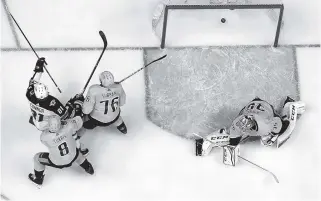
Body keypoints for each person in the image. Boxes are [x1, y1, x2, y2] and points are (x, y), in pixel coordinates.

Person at [195, 97, 305, 164]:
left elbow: (281, 124)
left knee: (278, 132)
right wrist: (232, 149)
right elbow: (232, 140)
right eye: (243, 127)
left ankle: (289, 105)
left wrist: (273, 136)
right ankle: (205, 142)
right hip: (248, 108)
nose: (243, 128)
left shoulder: (267, 126)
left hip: (264, 107)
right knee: (231, 136)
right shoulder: (237, 124)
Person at [28, 104, 94, 187]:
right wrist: (77, 109)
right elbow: (77, 122)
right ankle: (88, 167)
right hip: (73, 155)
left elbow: (46, 132)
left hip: (57, 163)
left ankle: (38, 179)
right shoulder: (68, 126)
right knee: (78, 155)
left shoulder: (44, 137)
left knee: (37, 158)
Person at [26, 57, 74, 131]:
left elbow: (33, 81)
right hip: (48, 127)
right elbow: (65, 115)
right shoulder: (52, 102)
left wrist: (38, 68)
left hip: (36, 122)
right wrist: (71, 104)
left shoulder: (30, 94)